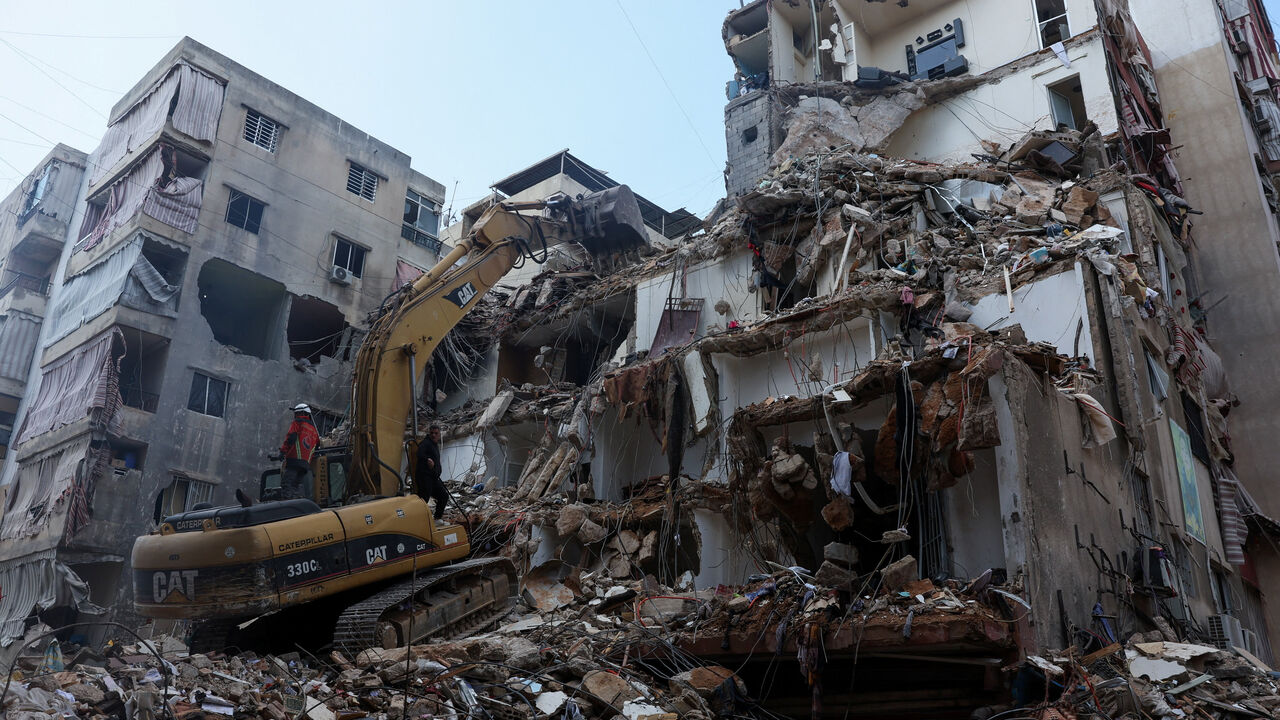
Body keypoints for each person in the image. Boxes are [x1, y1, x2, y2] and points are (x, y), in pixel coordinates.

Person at [278, 403, 319, 500]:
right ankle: (298, 501)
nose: (295, 416)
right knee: (296, 486)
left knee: (286, 484)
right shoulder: (314, 430)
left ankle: (290, 505)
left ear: (303, 413)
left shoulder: (298, 423)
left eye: (297, 413)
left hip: (294, 460)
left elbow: (291, 438)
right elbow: (317, 444)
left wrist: (283, 452)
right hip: (305, 465)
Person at [415, 424, 449, 520]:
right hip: (425, 477)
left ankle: (437, 519)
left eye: (436, 433)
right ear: (429, 433)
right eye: (432, 433)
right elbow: (419, 454)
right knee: (423, 500)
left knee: (443, 496)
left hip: (433, 477)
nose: (433, 435)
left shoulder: (434, 444)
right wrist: (427, 460)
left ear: (439, 434)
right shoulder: (426, 443)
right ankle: (417, 520)